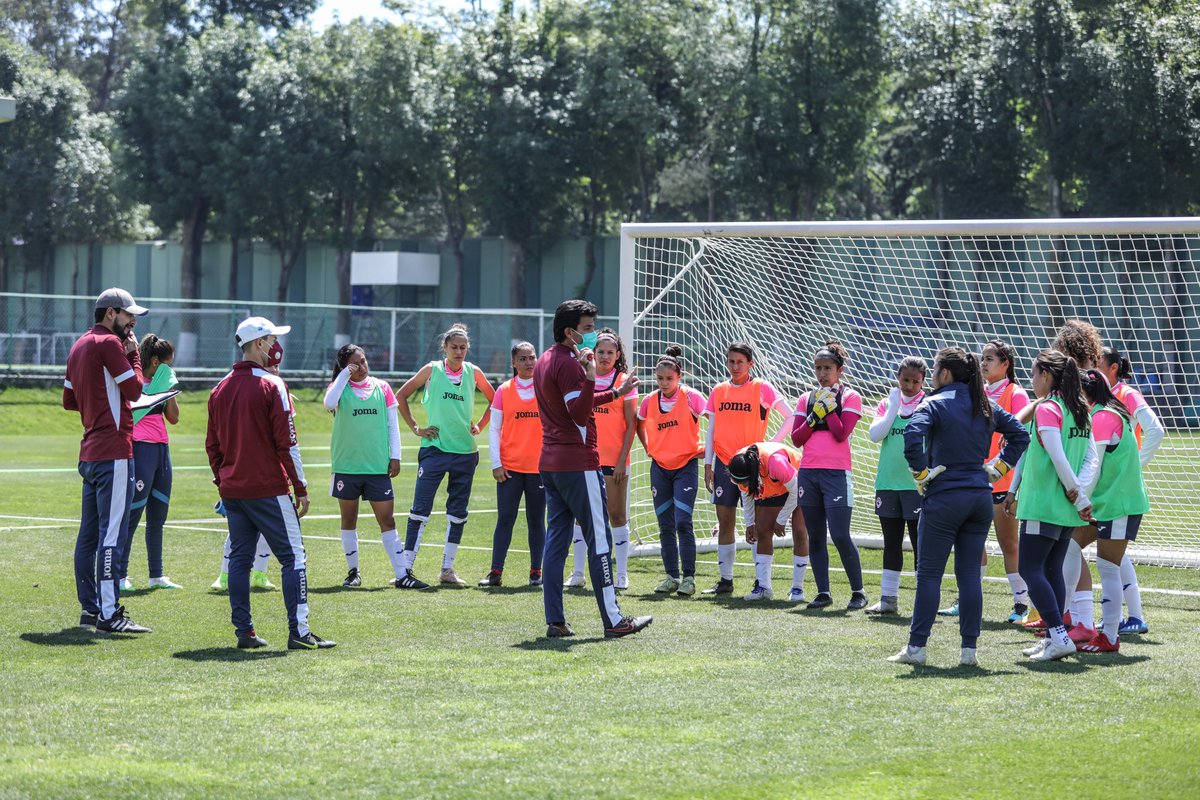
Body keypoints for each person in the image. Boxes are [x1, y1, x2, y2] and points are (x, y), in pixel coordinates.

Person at [888, 347, 1029, 667]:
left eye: (935, 369)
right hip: (979, 498)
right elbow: (1020, 435)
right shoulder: (985, 404)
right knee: (969, 577)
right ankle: (969, 652)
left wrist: (921, 474)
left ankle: (917, 648)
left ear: (945, 374)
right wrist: (997, 470)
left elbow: (912, 437)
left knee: (929, 576)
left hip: (944, 499)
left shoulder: (934, 403)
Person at [206, 316, 333, 650]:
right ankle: (300, 632)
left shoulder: (219, 388)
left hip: (234, 489)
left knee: (240, 561)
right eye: (273, 339)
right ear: (259, 344)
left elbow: (212, 445)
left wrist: (223, 480)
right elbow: (287, 443)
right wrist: (301, 486)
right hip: (267, 488)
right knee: (294, 558)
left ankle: (244, 632)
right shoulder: (272, 385)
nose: (277, 346)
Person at [535, 299, 649, 638]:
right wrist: (590, 378)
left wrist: (615, 392)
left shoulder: (545, 359)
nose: (592, 335)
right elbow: (580, 413)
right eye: (587, 329)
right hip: (577, 463)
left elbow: (573, 405)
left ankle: (555, 621)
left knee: (556, 541)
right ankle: (614, 620)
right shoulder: (571, 365)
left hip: (551, 462)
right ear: (569, 332)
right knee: (600, 540)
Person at [63, 287, 152, 633]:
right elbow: (135, 391)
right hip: (114, 451)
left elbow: (69, 401)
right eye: (129, 315)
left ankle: (91, 609)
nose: (132, 323)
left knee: (88, 537)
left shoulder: (79, 344)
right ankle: (110, 614)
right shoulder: (110, 344)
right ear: (111, 313)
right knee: (111, 535)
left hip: (90, 451)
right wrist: (133, 357)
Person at [1005, 349, 1096, 662]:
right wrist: (1014, 489)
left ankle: (1058, 634)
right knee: (1051, 568)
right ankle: (1053, 636)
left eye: (1034, 374)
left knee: (1030, 569)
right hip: (1064, 507)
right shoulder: (1078, 409)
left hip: (1044, 501)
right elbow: (1086, 458)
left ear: (1047, 375)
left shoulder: (1049, 408)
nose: (1032, 380)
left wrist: (1077, 492)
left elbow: (1057, 456)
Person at [395, 323, 494, 588]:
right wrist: (417, 428)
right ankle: (405, 569)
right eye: (454, 347)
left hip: (465, 453)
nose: (459, 351)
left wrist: (480, 426)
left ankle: (447, 569)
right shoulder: (432, 370)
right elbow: (400, 395)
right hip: (434, 451)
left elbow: (497, 401)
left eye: (463, 347)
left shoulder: (474, 373)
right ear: (445, 348)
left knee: (458, 512)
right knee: (420, 510)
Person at [938, 339, 1031, 621]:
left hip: (1004, 481)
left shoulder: (1016, 393)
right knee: (971, 543)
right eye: (983, 358)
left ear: (1006, 364)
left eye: (991, 358)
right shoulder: (975, 393)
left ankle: (1021, 603)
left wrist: (1006, 471)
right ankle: (967, 599)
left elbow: (1021, 436)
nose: (984, 363)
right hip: (976, 479)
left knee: (1009, 543)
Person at [1068, 369, 1151, 653]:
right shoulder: (1106, 411)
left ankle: (1111, 636)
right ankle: (1077, 620)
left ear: (1083, 393)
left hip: (1118, 504)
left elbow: (1092, 468)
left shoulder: (1103, 417)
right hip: (1104, 503)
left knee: (1108, 568)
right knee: (1068, 545)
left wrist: (1079, 500)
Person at [702, 342, 792, 595]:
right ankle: (726, 581)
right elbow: (711, 430)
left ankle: (760, 582)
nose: (735, 366)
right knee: (725, 520)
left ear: (750, 363)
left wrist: (771, 445)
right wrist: (709, 463)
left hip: (753, 466)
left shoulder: (761, 388)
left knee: (758, 524)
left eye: (740, 361)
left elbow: (791, 415)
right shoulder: (719, 390)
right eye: (731, 361)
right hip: (723, 463)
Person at [790, 340, 869, 610]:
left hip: (836, 474)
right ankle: (823, 592)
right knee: (815, 534)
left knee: (839, 534)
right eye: (818, 368)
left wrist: (831, 409)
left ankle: (858, 592)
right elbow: (797, 438)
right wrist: (814, 415)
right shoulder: (806, 398)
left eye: (827, 368)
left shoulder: (850, 397)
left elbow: (840, 433)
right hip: (809, 473)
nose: (822, 374)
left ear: (840, 370)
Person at [210, 341, 289, 592]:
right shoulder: (242, 386)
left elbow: (285, 437)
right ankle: (224, 574)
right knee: (238, 534)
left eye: (277, 366)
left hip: (270, 474)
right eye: (272, 365)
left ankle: (260, 573)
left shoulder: (277, 388)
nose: (274, 370)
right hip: (244, 473)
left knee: (265, 532)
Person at [324, 344, 402, 588]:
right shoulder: (340, 387)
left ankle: (402, 574)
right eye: (356, 363)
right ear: (346, 366)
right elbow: (329, 403)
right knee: (349, 520)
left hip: (377, 467)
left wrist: (395, 456)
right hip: (347, 466)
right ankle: (353, 572)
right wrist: (345, 374)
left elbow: (392, 425)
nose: (363, 366)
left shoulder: (382, 387)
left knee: (387, 520)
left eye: (364, 360)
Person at [565, 329, 639, 590]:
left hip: (614, 462)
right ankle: (577, 574)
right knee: (580, 516)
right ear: (593, 354)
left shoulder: (624, 381)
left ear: (618, 355)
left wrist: (622, 461)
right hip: (584, 460)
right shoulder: (585, 378)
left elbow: (631, 426)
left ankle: (621, 574)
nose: (605, 356)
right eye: (601, 352)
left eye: (610, 352)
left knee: (616, 516)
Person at [1100, 345, 1164, 635]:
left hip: (1119, 490)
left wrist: (1135, 466)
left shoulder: (1126, 394)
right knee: (1113, 552)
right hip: (1106, 488)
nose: (1093, 366)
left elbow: (1156, 429)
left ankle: (1133, 616)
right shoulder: (1101, 395)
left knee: (1110, 553)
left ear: (1114, 367)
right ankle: (1131, 616)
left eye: (1098, 361)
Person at [636, 345, 706, 596]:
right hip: (660, 469)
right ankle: (671, 577)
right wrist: (648, 447)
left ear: (679, 376)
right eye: (659, 378)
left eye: (669, 378)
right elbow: (639, 423)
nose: (664, 383)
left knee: (683, 522)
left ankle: (689, 578)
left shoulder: (692, 397)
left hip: (686, 467)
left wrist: (706, 449)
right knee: (665, 524)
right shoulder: (648, 401)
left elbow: (715, 419)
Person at [117, 333, 182, 591]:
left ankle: (156, 575)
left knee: (158, 516)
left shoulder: (162, 384)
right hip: (141, 449)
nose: (172, 369)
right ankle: (120, 575)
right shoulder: (136, 383)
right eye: (169, 364)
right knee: (133, 515)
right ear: (156, 361)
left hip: (162, 451)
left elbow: (174, 418)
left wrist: (168, 391)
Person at [478, 342, 546, 588]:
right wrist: (496, 463)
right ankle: (495, 572)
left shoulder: (545, 388)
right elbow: (494, 429)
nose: (529, 362)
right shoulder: (504, 391)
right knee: (505, 520)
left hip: (539, 469)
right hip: (509, 469)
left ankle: (536, 573)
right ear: (514, 363)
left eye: (532, 357)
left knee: (537, 521)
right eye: (523, 359)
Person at [866, 356, 926, 615]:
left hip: (917, 487)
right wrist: (893, 404)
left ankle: (925, 601)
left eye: (915, 381)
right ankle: (888, 599)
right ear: (897, 379)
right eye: (905, 380)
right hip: (888, 484)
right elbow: (875, 435)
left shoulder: (928, 405)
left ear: (924, 381)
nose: (910, 385)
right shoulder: (887, 403)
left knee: (919, 544)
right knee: (891, 543)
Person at [726, 442, 808, 602]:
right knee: (761, 529)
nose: (742, 485)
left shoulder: (775, 463)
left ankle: (798, 589)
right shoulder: (740, 462)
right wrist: (750, 523)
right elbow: (746, 493)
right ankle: (764, 587)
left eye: (744, 482)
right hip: (776, 485)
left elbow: (796, 491)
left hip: (799, 482)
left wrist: (781, 519)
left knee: (799, 530)